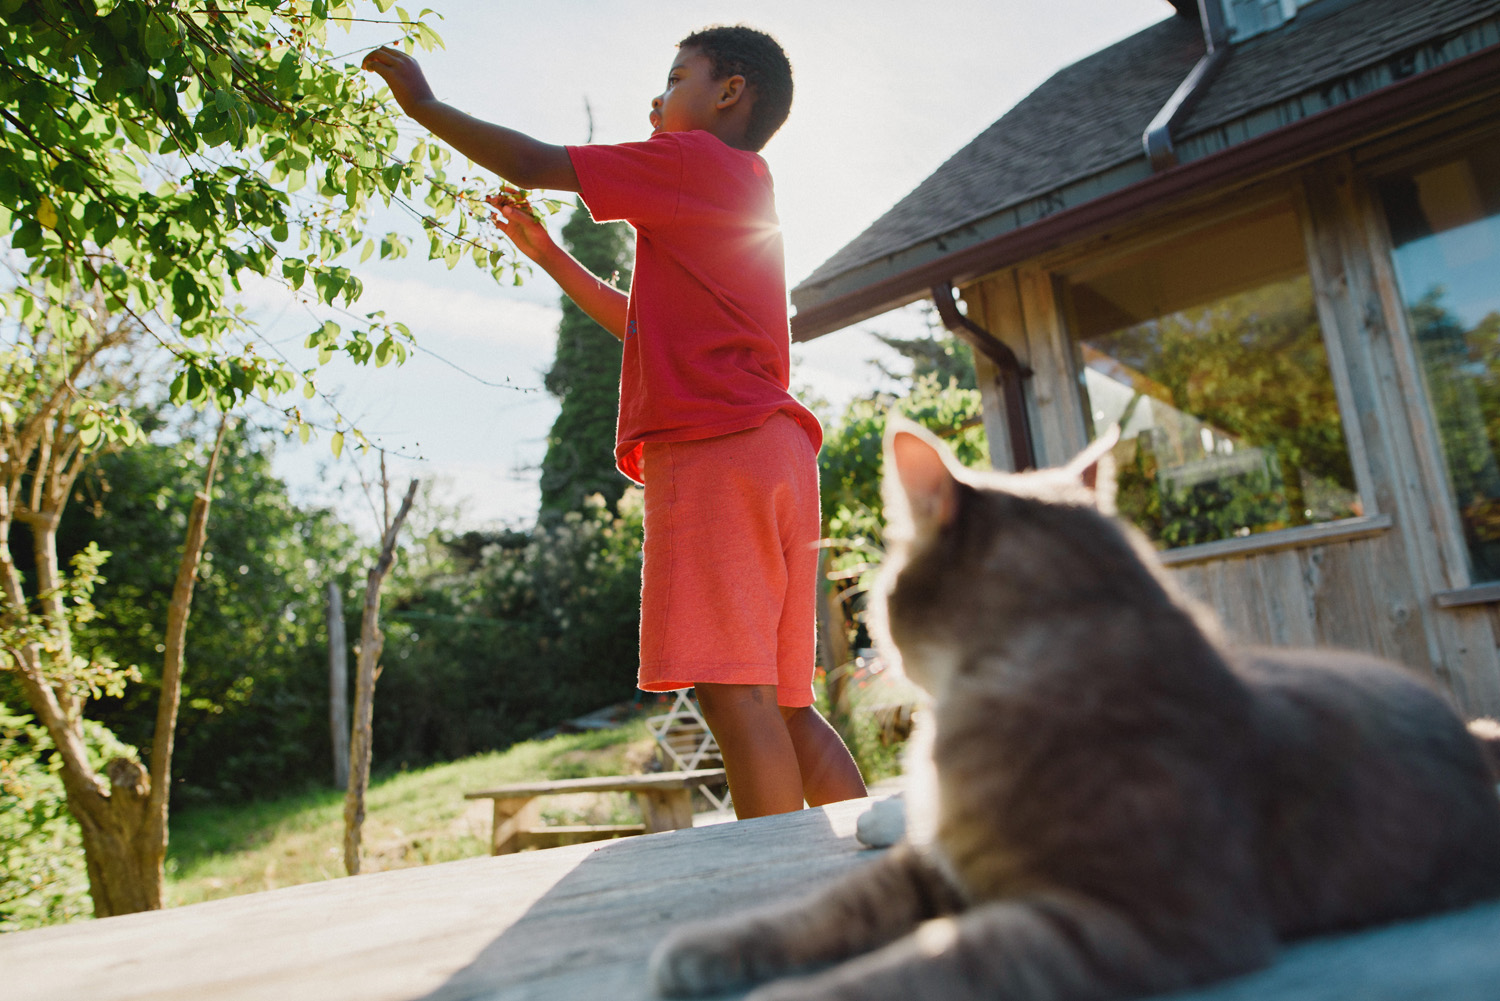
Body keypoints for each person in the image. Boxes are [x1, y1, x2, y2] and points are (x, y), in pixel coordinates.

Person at [363, 25, 867, 818]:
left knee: (736, 696)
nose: (657, 98)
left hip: (714, 450)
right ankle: (877, 877)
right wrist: (551, 257)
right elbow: (645, 326)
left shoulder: (691, 159)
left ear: (729, 91)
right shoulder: (738, 185)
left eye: (675, 77)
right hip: (776, 451)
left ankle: (779, 908)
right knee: (787, 702)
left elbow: (533, 163)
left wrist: (424, 105)